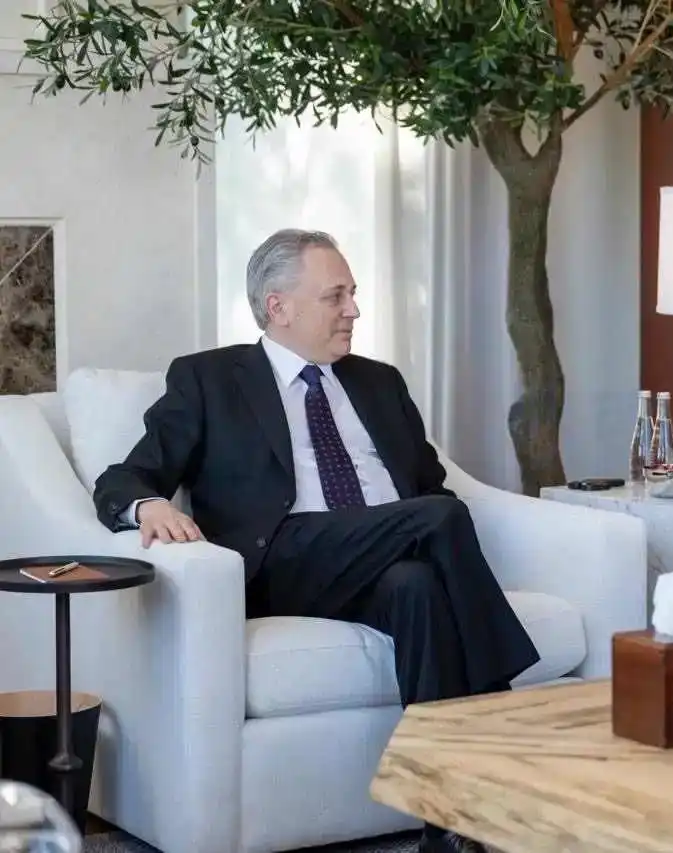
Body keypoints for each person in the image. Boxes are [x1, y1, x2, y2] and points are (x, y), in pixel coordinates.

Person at [93, 229, 539, 853]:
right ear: (278, 307)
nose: (354, 310)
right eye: (336, 296)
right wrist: (148, 505)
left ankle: (448, 825)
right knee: (439, 519)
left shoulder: (379, 382)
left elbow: (429, 487)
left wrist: (418, 529)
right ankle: (501, 708)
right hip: (282, 559)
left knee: (417, 585)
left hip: (381, 557)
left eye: (353, 293)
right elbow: (124, 477)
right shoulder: (211, 379)